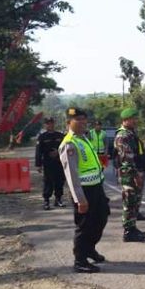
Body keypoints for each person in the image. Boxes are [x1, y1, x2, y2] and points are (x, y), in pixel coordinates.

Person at [59, 107, 109, 273]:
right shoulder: (69, 144)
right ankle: (80, 260)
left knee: (101, 218)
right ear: (68, 122)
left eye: (83, 119)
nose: (82, 122)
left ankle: (89, 249)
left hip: (96, 188)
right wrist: (80, 199)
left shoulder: (84, 138)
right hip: (84, 191)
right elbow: (71, 175)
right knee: (85, 225)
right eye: (77, 120)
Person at [114, 108, 145, 242]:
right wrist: (135, 175)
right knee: (129, 202)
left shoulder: (130, 133)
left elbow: (135, 151)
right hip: (129, 174)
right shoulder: (123, 136)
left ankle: (133, 228)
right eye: (133, 118)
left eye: (136, 118)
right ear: (125, 120)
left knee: (134, 202)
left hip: (135, 172)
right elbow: (126, 158)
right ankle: (128, 231)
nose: (136, 121)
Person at [35, 117, 66, 210]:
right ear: (45, 125)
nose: (50, 125)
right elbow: (38, 152)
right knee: (48, 181)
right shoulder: (42, 137)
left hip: (59, 162)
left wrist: (58, 152)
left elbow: (66, 148)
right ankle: (46, 201)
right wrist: (38, 165)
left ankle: (58, 199)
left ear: (54, 124)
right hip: (48, 163)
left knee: (60, 181)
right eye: (48, 123)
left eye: (51, 123)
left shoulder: (60, 136)